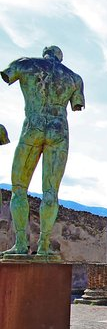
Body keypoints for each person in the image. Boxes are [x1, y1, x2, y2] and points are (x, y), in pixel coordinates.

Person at [1, 46, 84, 256]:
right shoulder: (74, 78)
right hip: (59, 131)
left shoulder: (26, 63)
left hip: (33, 126)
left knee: (19, 188)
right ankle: (44, 245)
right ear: (60, 57)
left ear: (45, 53)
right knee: (51, 193)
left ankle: (20, 243)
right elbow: (77, 105)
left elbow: (7, 75)